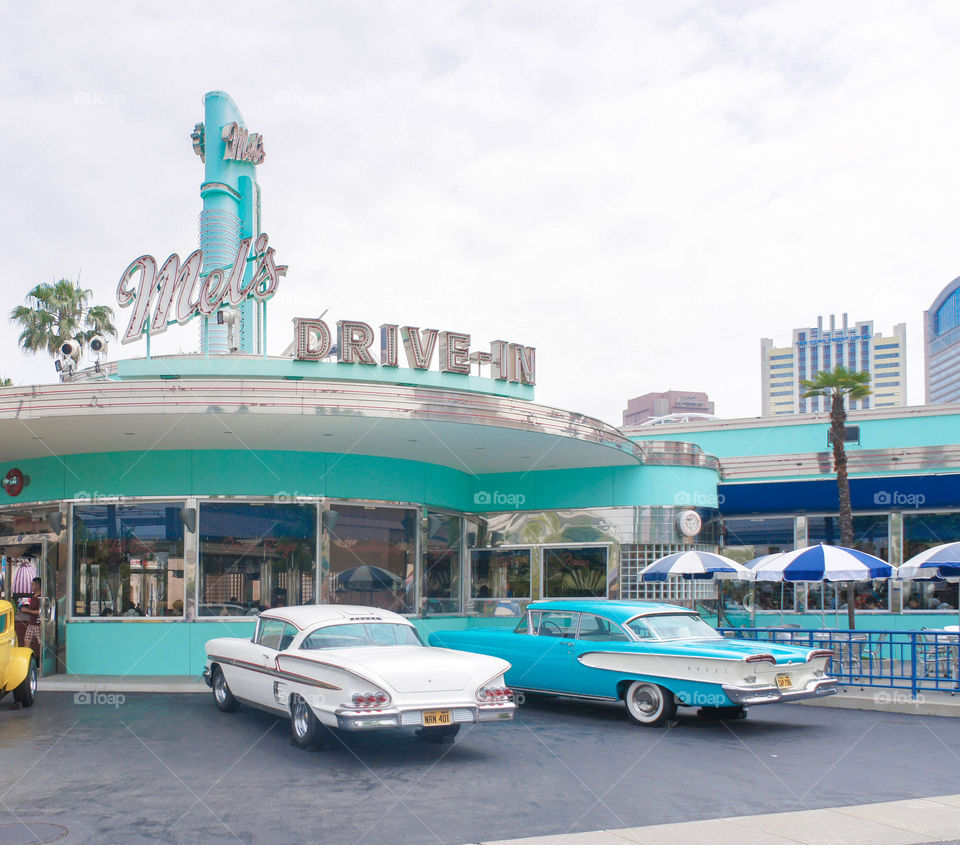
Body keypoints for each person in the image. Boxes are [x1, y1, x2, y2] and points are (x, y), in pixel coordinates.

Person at [21, 577, 42, 664]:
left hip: (38, 624)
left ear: (38, 585)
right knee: (26, 642)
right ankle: (27, 662)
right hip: (31, 623)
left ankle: (42, 663)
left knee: (42, 644)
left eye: (33, 584)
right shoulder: (32, 596)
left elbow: (40, 612)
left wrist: (28, 611)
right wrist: (25, 609)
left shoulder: (41, 597)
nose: (31, 586)